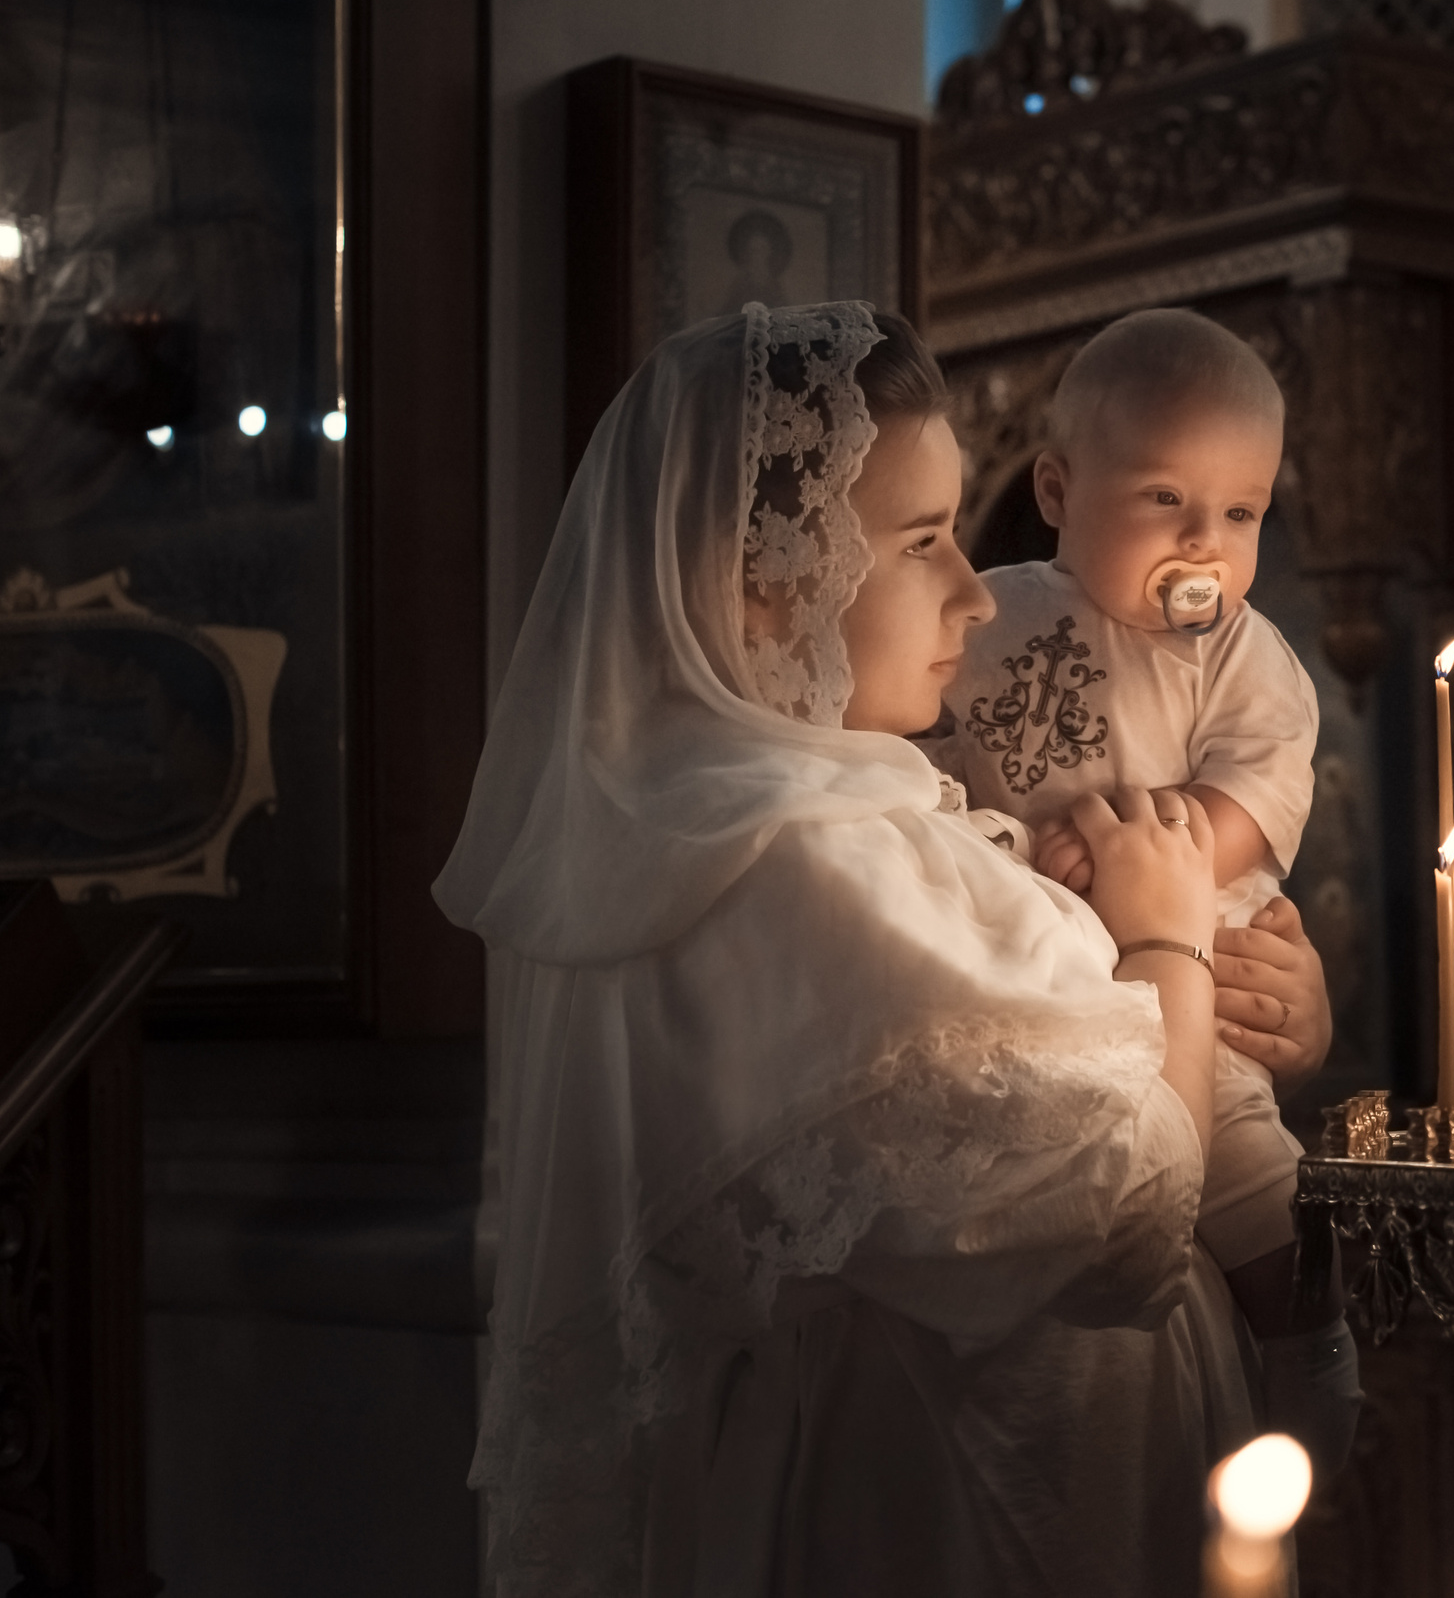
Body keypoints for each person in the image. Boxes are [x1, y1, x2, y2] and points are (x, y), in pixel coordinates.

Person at [436, 301, 1341, 1596]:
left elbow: (1076, 1042)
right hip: (948, 1505)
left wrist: (1258, 1004)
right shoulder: (795, 858)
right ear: (766, 578)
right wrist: (1169, 938)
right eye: (922, 541)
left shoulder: (844, 813)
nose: (975, 590)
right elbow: (1129, 1214)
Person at [931, 308, 1328, 1351]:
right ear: (1057, 493)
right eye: (1165, 499)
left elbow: (1258, 792)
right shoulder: (988, 615)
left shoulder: (1240, 653)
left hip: (1200, 1001)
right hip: (1039, 995)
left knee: (1262, 1204)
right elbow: (930, 761)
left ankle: (1313, 1371)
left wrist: (1135, 847)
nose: (1204, 542)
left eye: (1239, 512)